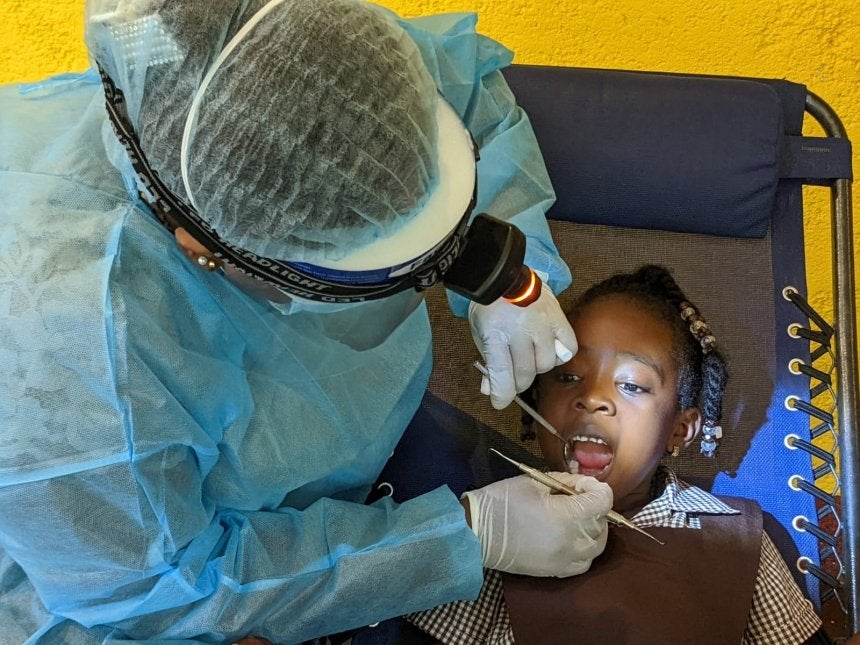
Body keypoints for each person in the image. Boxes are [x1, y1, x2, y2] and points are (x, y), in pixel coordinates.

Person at [0, 1, 613, 643]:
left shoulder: (295, 58)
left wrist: (508, 272)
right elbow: (160, 589)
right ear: (198, 247)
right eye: (377, 267)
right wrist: (450, 537)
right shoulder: (75, 351)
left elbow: (457, 81)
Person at [408, 264, 835, 644]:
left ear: (680, 429)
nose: (593, 397)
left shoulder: (736, 538)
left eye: (631, 385)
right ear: (535, 402)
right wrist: (471, 536)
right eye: (567, 376)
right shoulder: (498, 524)